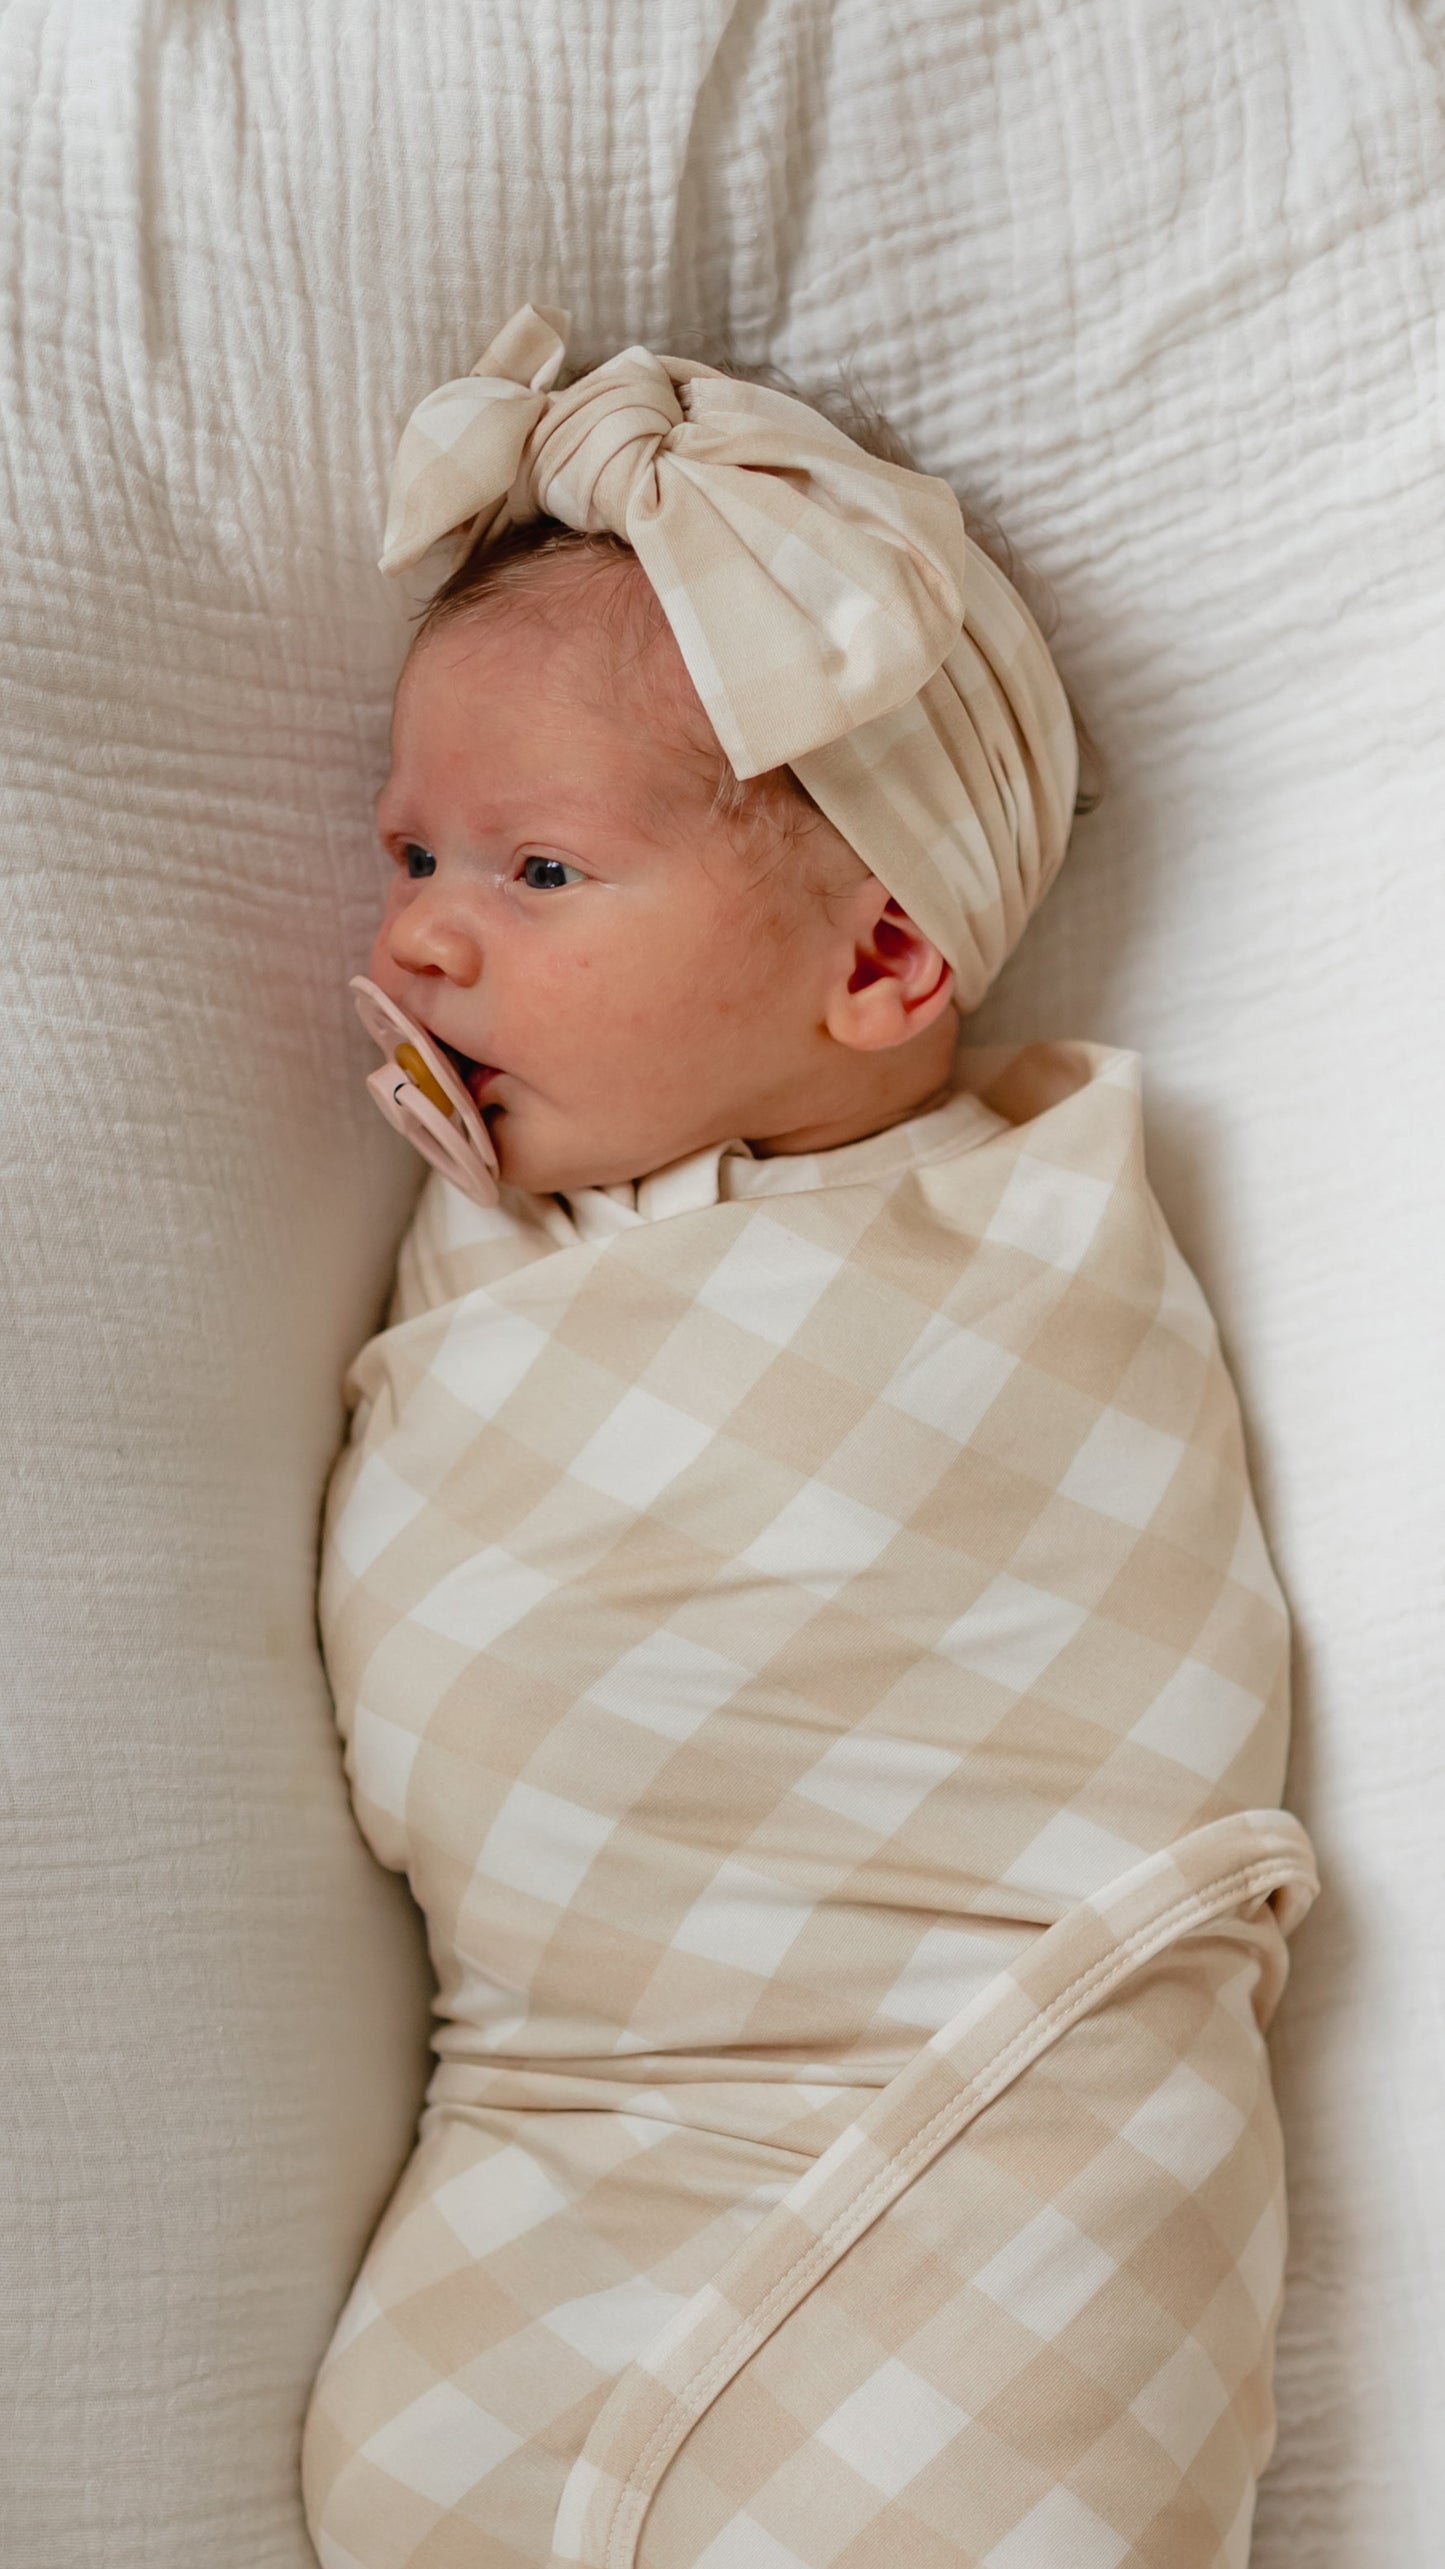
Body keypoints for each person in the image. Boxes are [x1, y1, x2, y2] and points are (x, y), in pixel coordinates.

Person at [303, 303, 1316, 2569]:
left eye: (535, 872)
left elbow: (1085, 1650)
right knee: (424, 2476)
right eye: (411, 853)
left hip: (991, 2079)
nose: (425, 937)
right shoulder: (507, 1255)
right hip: (570, 2103)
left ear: (880, 962)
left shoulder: (1025, 1253)